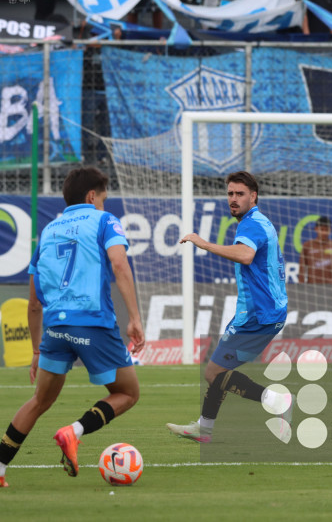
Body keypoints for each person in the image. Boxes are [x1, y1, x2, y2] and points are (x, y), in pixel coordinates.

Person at [0, 167, 145, 487]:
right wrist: (135, 318)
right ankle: (73, 432)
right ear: (92, 196)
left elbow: (34, 303)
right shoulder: (104, 221)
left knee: (39, 401)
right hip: (93, 323)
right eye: (103, 199)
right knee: (127, 393)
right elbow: (119, 264)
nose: (104, 205)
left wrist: (36, 351)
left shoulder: (48, 231)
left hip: (54, 328)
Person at [167, 171, 291, 443]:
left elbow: (245, 255)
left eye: (240, 194)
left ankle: (276, 401)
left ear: (253, 196)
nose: (233, 199)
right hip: (264, 311)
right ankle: (204, 428)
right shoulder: (257, 221)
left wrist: (203, 243)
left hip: (259, 314)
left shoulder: (251, 223)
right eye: (230, 194)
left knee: (214, 373)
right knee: (219, 370)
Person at [300, 216, 332, 284]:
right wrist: (301, 285)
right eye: (322, 229)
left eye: (327, 230)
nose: (324, 232)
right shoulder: (307, 245)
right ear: (316, 229)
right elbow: (302, 269)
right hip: (312, 286)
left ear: (330, 230)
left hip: (331, 287)